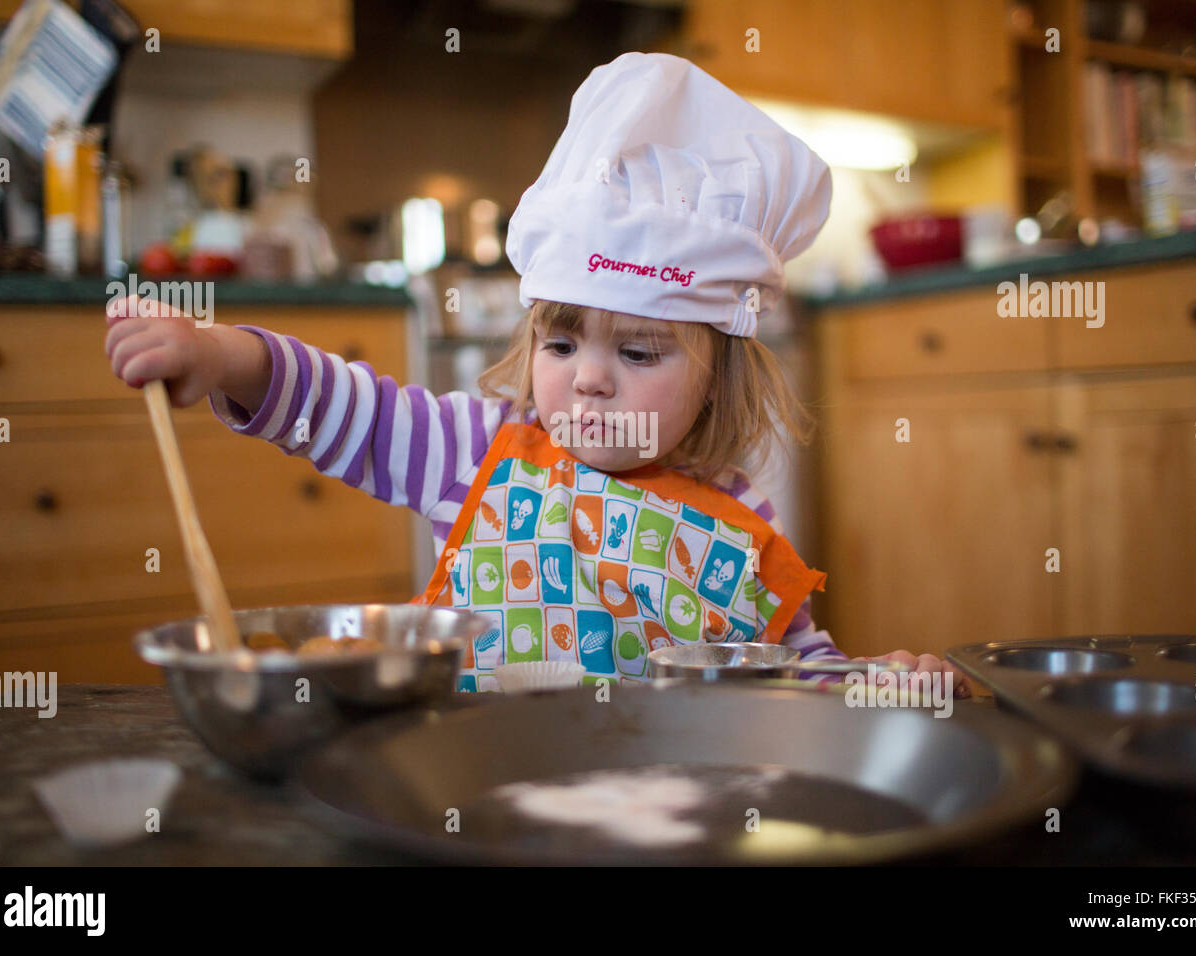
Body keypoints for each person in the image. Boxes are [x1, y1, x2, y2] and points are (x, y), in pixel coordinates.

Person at [104, 52, 968, 696]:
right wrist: (221, 356)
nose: (587, 380)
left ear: (720, 375)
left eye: (636, 352)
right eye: (561, 346)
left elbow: (791, 676)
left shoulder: (742, 528)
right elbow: (341, 407)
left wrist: (873, 684)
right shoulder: (474, 450)